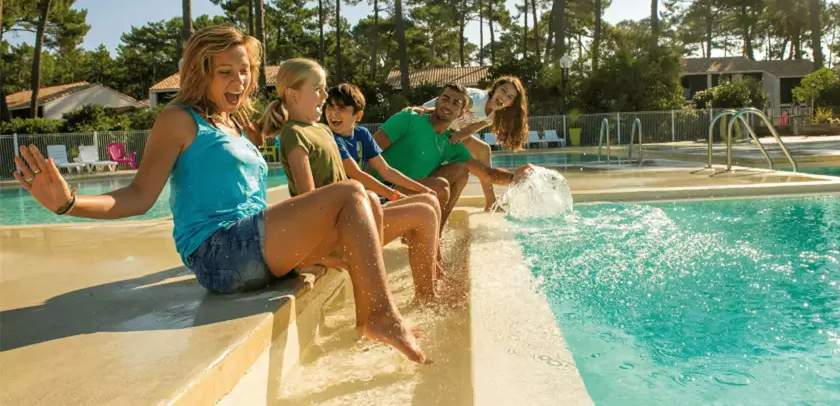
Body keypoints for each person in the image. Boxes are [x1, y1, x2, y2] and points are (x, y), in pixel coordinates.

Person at [12, 26, 425, 363]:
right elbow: (138, 195)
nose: (239, 80)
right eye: (225, 71)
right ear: (201, 72)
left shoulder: (234, 124)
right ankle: (380, 317)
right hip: (220, 253)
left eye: (244, 70)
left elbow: (248, 197)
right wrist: (70, 204)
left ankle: (365, 319)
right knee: (352, 193)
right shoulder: (178, 119)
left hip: (253, 245)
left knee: (369, 203)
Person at [259, 59, 442, 302]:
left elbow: (356, 175)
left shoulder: (322, 130)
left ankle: (430, 287)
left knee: (427, 205)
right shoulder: (294, 134)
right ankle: (426, 298)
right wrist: (321, 256)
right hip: (336, 234)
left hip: (351, 223)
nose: (325, 95)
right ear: (293, 95)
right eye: (318, 89)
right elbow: (308, 204)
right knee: (424, 214)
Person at [373, 83, 534, 231]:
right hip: (381, 191)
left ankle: (435, 233)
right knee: (441, 185)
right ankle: (425, 231)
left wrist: (514, 177)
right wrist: (424, 109)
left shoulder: (453, 140)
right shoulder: (410, 118)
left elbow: (485, 170)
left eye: (456, 103)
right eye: (445, 99)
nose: (449, 105)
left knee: (466, 166)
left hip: (446, 137)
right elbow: (370, 153)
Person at [422, 77, 529, 210]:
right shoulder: (477, 99)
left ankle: (491, 202)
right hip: (429, 118)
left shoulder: (493, 114)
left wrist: (459, 135)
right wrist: (423, 110)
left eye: (510, 97)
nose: (504, 97)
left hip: (449, 128)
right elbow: (447, 106)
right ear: (495, 88)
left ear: (511, 103)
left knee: (484, 149)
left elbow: (472, 129)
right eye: (503, 90)